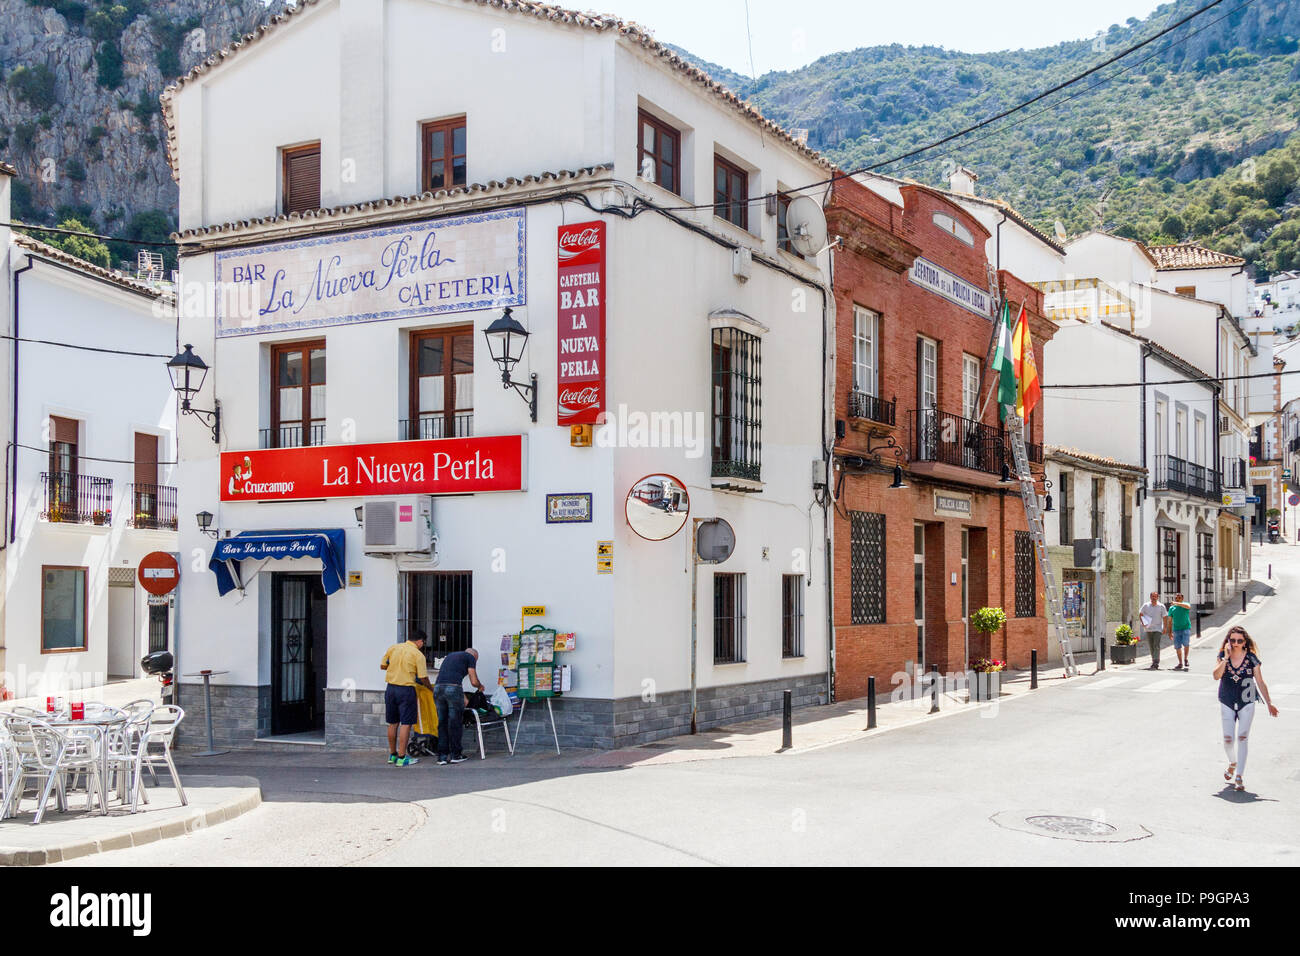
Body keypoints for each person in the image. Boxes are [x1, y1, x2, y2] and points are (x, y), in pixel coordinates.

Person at [1212, 626, 1279, 792]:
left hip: (1247, 700)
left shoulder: (1251, 658)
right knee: (1228, 739)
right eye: (1232, 640)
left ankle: (1239, 776)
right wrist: (1226, 658)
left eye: (1239, 641)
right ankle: (1232, 762)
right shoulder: (1222, 656)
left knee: (1242, 737)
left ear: (1245, 642)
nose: (1235, 644)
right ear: (1228, 641)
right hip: (1227, 699)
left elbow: (1260, 681)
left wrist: (1269, 702)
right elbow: (1216, 676)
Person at [380, 632, 433, 767]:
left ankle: (392, 755)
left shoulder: (393, 648)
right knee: (406, 723)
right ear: (420, 641)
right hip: (406, 690)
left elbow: (383, 666)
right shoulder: (418, 655)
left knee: (392, 723)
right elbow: (423, 677)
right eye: (423, 643)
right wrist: (430, 688)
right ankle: (402, 757)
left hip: (391, 689)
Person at [434, 646, 485, 765]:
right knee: (455, 723)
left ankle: (441, 757)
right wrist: (480, 686)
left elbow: (449, 681)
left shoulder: (451, 656)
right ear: (474, 656)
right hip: (453, 689)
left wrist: (462, 696)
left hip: (437, 688)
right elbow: (473, 681)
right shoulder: (470, 657)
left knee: (442, 723)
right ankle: (455, 755)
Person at [1138, 592, 1168, 670]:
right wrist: (1143, 622)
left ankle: (1156, 662)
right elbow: (1140, 614)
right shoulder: (1146, 605)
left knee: (1156, 645)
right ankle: (1153, 660)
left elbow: (1165, 617)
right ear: (1150, 597)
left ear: (1158, 597)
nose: (1154, 598)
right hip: (1148, 629)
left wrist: (1165, 627)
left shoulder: (1161, 606)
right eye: (1152, 596)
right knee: (1151, 646)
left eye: (1155, 596)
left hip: (1158, 628)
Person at [1169, 593, 1193, 671]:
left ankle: (1186, 658)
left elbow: (1188, 607)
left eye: (1179, 598)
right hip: (1176, 629)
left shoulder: (1185, 604)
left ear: (1182, 599)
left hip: (1186, 628)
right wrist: (1169, 632)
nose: (1177, 599)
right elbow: (1170, 620)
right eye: (1176, 598)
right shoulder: (1172, 608)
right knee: (1177, 647)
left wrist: (1176, 603)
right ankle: (1180, 663)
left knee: (1186, 644)